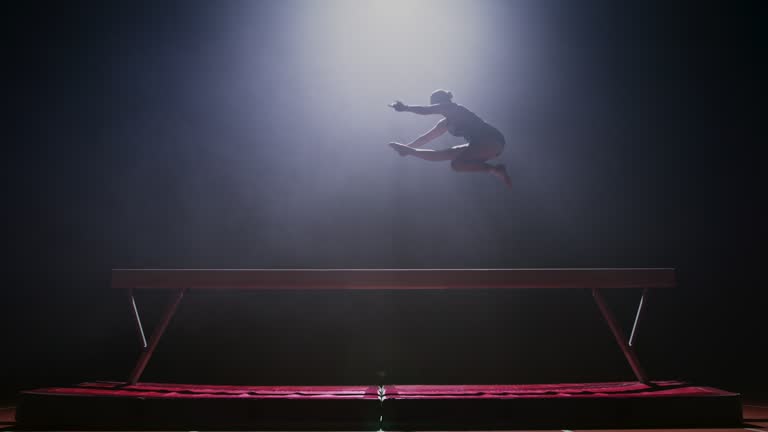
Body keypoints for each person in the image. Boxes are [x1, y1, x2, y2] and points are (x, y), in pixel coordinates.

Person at [388, 89, 511, 188]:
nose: (438, 108)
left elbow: (426, 110)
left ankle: (495, 169)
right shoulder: (445, 123)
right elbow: (426, 138)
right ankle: (495, 169)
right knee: (452, 162)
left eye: (438, 104)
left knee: (458, 162)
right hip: (480, 144)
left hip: (491, 139)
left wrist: (406, 108)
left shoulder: (455, 108)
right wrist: (408, 148)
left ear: (443, 102)